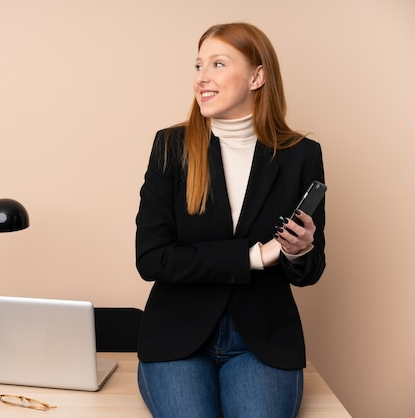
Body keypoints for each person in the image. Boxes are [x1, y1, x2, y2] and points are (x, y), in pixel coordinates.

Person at [135, 22, 326, 418]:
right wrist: (253, 257)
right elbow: (152, 259)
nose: (202, 78)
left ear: (257, 77)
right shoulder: (170, 147)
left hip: (263, 340)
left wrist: (301, 249)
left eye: (218, 64)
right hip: (178, 337)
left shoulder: (301, 155)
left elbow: (309, 272)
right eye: (198, 65)